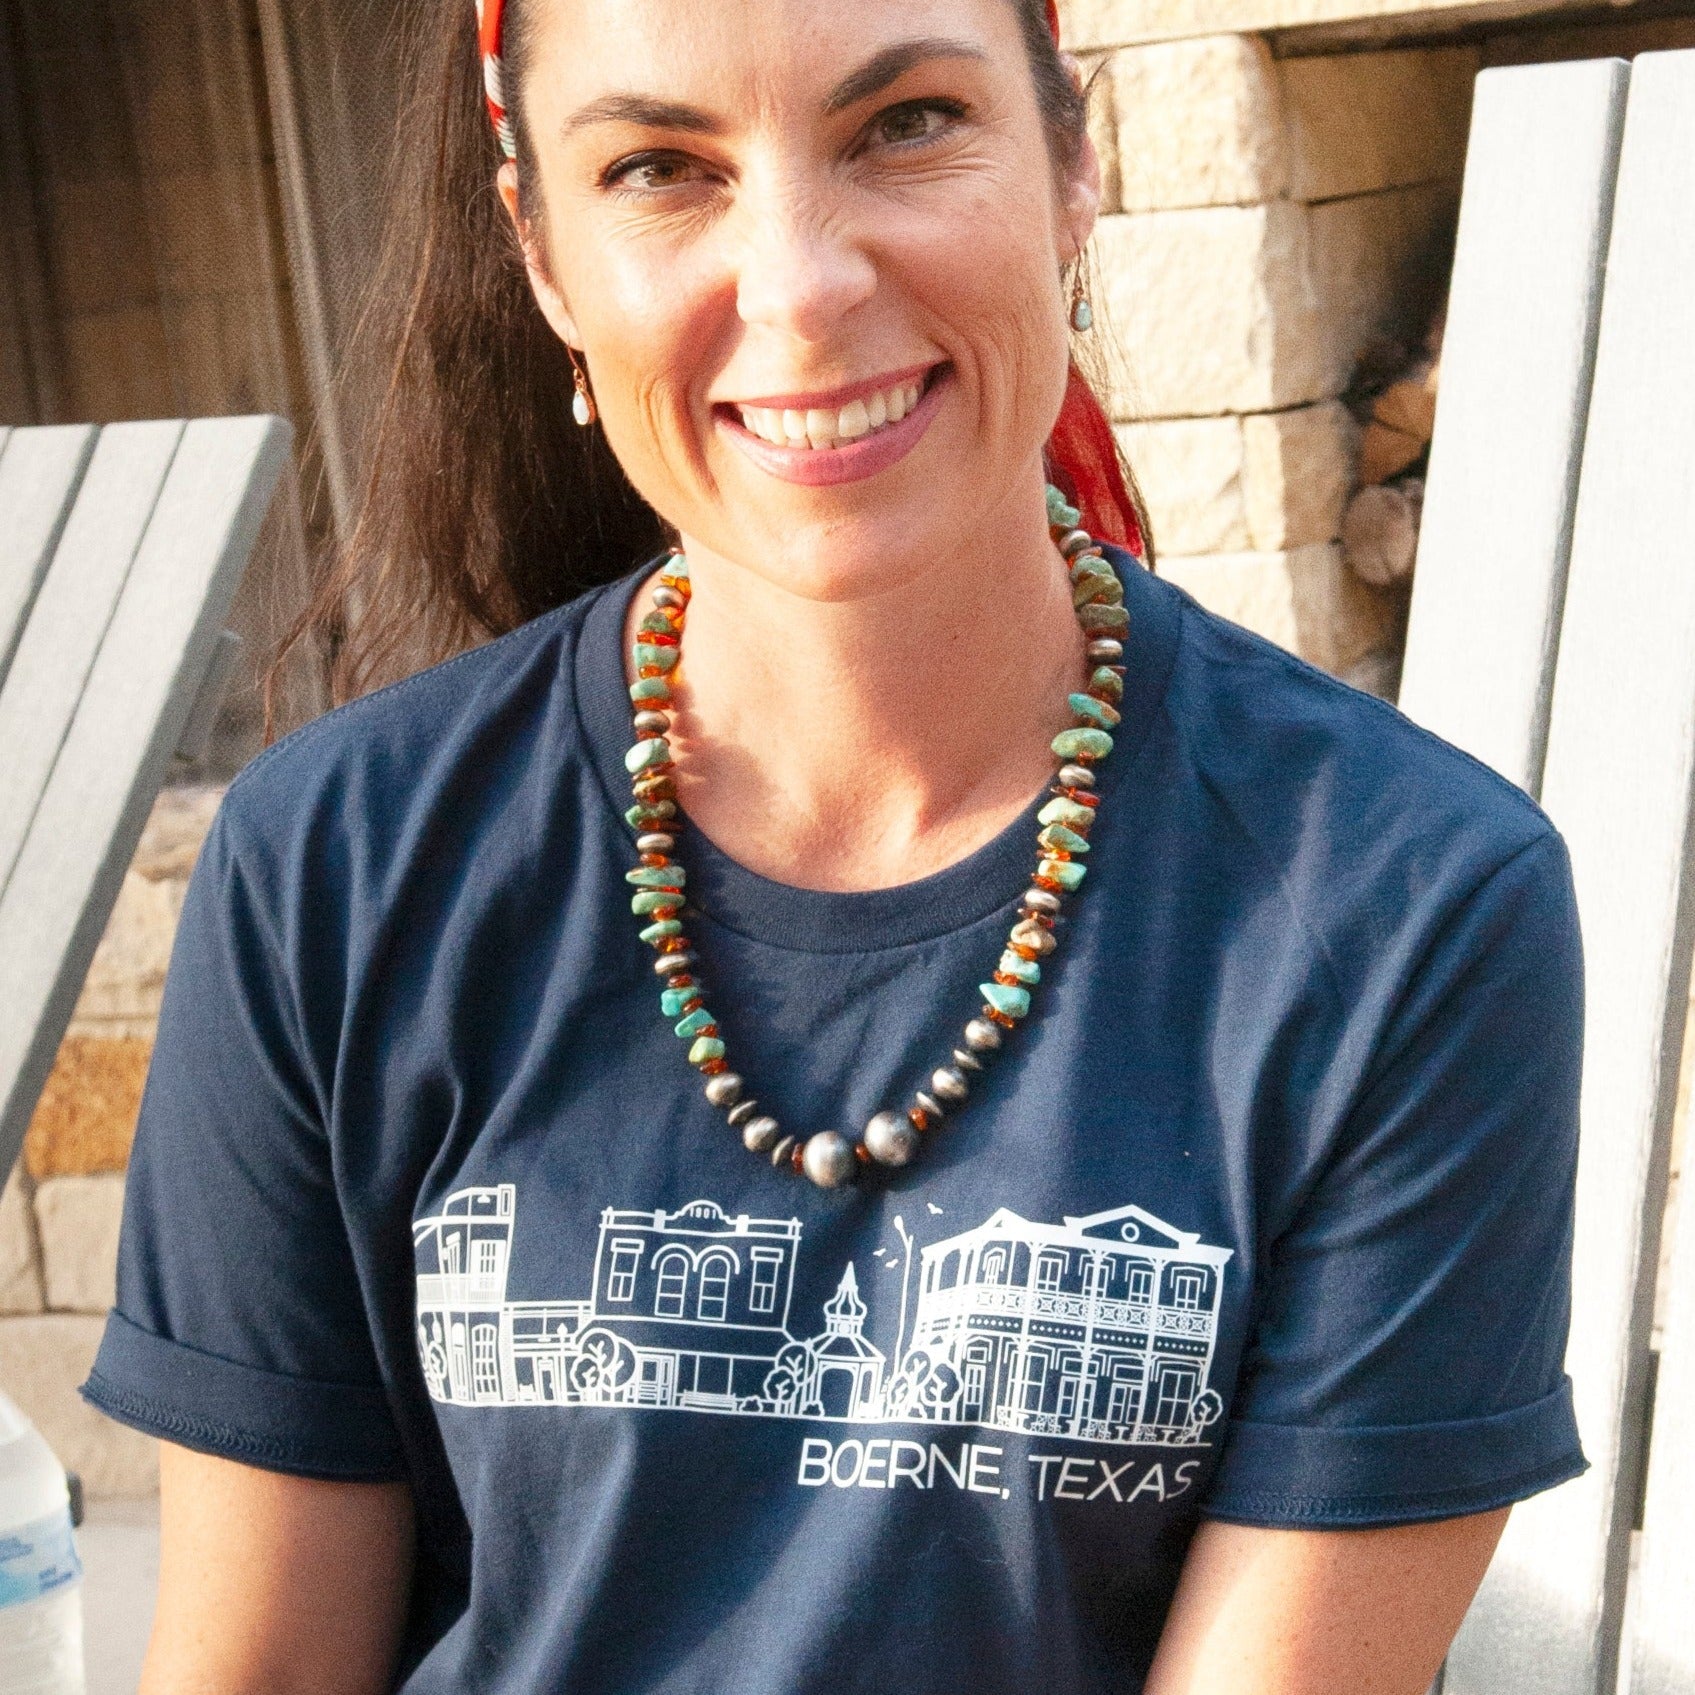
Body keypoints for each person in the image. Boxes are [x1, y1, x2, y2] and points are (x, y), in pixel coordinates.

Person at [81, 0, 1586, 1689]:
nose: (799, 286)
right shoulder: (335, 873)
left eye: (908, 124)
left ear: (1072, 162)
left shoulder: (1407, 909)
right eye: (660, 168)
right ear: (545, 256)